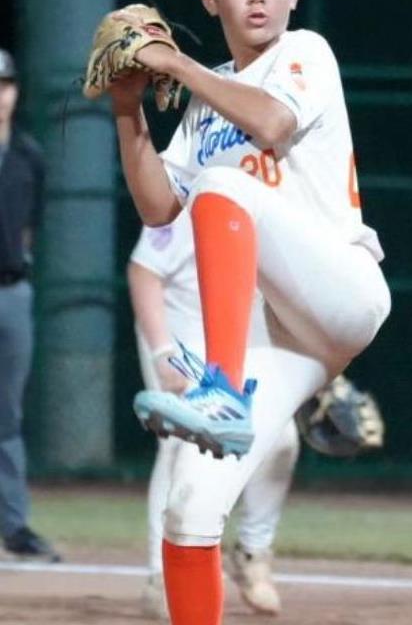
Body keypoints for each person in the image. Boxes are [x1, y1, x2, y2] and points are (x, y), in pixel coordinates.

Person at [107, 0, 391, 624]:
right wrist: (127, 108)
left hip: (344, 288)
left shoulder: (305, 53)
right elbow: (158, 209)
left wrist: (176, 65)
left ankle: (222, 391)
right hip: (278, 332)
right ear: (211, 0)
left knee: (225, 185)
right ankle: (225, 398)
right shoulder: (206, 106)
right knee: (189, 508)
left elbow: (271, 124)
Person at [128, 211, 301, 618]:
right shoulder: (195, 196)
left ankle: (253, 552)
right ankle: (161, 576)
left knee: (283, 441)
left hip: (242, 344)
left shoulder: (279, 205)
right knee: (179, 444)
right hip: (181, 340)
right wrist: (161, 351)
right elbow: (143, 272)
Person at [0, 48, 60, 562]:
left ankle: (13, 526)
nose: (0, 95)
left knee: (7, 416)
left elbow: (30, 228)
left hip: (12, 291)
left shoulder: (28, 154)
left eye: (5, 85)